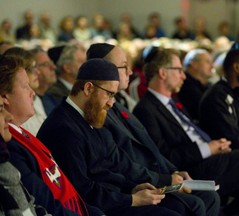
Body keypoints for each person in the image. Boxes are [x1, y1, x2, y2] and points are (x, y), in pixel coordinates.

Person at [132, 47, 239, 216]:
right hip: (194, 170)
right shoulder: (146, 109)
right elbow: (162, 156)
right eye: (179, 70)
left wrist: (216, 145)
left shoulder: (172, 103)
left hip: (214, 159)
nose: (183, 75)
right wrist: (207, 148)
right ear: (162, 73)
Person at [86, 43, 221, 216]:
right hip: (136, 184)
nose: (130, 72)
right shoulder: (99, 111)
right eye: (124, 67)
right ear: (103, 69)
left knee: (209, 196)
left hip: (154, 175)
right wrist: (164, 179)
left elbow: (151, 147)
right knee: (193, 204)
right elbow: (121, 160)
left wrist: (173, 171)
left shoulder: (118, 105)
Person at [37, 59, 183, 216]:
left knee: (183, 205)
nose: (111, 103)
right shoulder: (63, 128)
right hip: (98, 208)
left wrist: (132, 188)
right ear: (88, 88)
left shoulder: (90, 116)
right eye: (109, 94)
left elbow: (110, 166)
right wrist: (132, 199)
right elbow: (81, 190)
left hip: (114, 198)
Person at [0, 55, 105, 215]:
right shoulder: (10, 144)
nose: (33, 93)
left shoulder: (22, 135)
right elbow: (46, 203)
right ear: (4, 97)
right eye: (25, 86)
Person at [0, 93, 39, 215]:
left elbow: (33, 208)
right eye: (0, 110)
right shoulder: (12, 152)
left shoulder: (5, 163)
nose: (9, 117)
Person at [177, 49, 214, 122]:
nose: (212, 66)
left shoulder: (207, 85)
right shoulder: (185, 86)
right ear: (194, 64)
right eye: (207, 62)